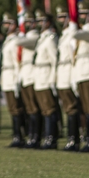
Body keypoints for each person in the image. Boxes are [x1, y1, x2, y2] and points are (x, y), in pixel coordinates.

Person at [31, 11, 61, 149]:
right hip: (39, 77)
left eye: (41, 20)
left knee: (49, 109)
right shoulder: (42, 38)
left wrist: (52, 79)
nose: (38, 23)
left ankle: (51, 138)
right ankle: (46, 137)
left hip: (46, 76)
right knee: (44, 110)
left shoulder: (50, 38)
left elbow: (54, 60)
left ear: (48, 22)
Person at [72, 5, 89, 152]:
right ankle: (88, 139)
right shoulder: (82, 30)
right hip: (80, 72)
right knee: (85, 108)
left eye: (85, 13)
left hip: (88, 72)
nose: (82, 16)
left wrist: (73, 24)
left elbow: (77, 35)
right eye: (80, 13)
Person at [54, 6, 82, 151]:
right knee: (67, 108)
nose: (60, 20)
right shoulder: (63, 35)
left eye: (62, 17)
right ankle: (71, 138)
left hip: (70, 72)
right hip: (62, 73)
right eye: (58, 17)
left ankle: (74, 139)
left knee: (72, 108)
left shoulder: (72, 34)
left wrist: (74, 76)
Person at [0, 14, 25, 147]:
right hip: (6, 76)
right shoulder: (8, 40)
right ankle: (16, 135)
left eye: (7, 23)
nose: (4, 26)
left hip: (12, 75)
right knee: (11, 108)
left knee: (16, 108)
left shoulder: (15, 40)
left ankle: (20, 136)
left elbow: (17, 61)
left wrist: (17, 78)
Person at [17, 13, 42, 148]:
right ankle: (31, 135)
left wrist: (20, 34)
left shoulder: (35, 36)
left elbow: (19, 42)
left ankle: (36, 136)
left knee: (34, 108)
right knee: (29, 109)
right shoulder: (26, 36)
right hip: (25, 75)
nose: (26, 25)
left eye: (28, 22)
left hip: (32, 75)